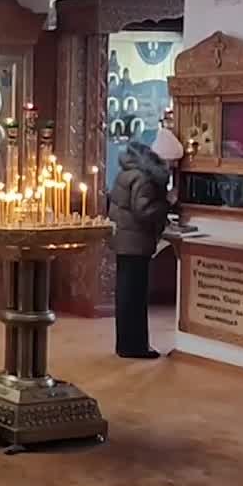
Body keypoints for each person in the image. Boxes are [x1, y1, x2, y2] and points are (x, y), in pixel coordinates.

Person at [108, 141, 172, 360]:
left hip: (124, 240)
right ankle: (136, 347)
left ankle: (125, 345)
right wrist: (166, 204)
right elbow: (143, 210)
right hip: (136, 242)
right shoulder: (143, 178)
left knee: (126, 295)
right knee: (135, 297)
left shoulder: (126, 173)